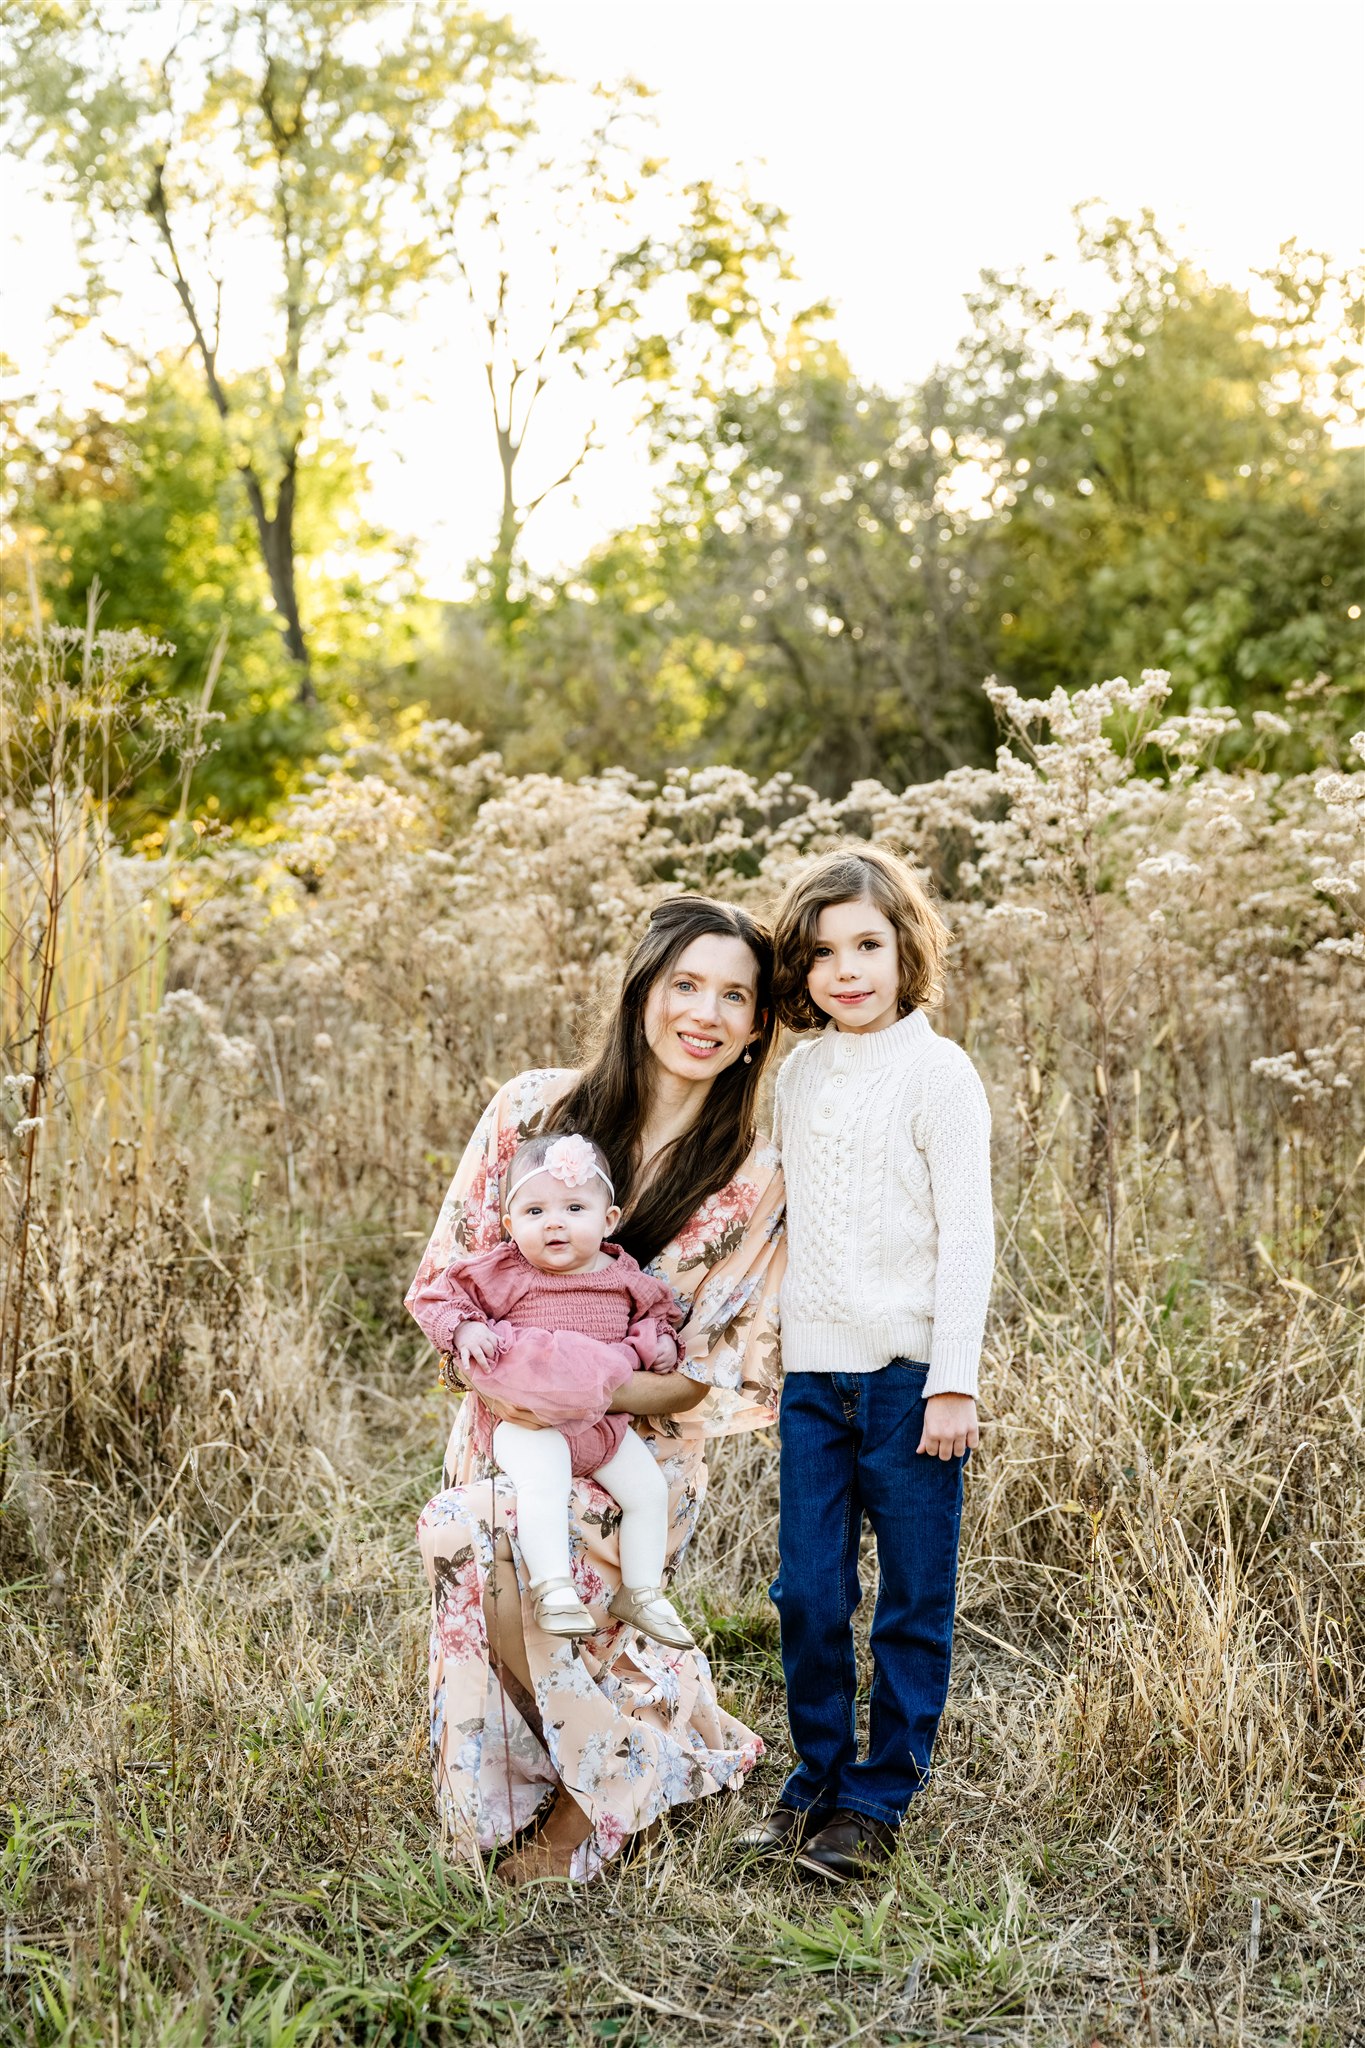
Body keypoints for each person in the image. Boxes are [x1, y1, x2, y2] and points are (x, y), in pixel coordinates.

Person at [408, 895, 785, 1884]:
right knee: (472, 1531)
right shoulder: (532, 1110)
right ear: (642, 991)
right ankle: (626, 1756)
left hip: (636, 1464)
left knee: (477, 1536)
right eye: (685, 984)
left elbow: (711, 1374)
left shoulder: (754, 1180)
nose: (705, 1012)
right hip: (503, 1429)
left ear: (756, 1029)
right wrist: (511, 1379)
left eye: (735, 996)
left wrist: (592, 1381)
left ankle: (594, 1803)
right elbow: (446, 1282)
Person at [739, 844, 994, 1882]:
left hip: (909, 1379)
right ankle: (817, 1776)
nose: (846, 969)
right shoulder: (798, 1076)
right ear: (798, 972)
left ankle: (877, 1800)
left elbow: (969, 1231)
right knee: (807, 1590)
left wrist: (955, 1376)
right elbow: (784, 1221)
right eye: (821, 953)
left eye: (867, 944)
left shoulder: (938, 1070)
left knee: (911, 1598)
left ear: (905, 948)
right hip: (814, 1383)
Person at [410, 1130, 693, 1649]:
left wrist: (662, 1345)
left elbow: (656, 1316)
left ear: (608, 1220)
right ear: (510, 1225)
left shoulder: (621, 1274)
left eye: (573, 1208)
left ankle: (642, 1590)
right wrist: (464, 1329)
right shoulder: (506, 1271)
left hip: (600, 1422)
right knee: (545, 1482)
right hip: (527, 1421)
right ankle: (552, 1586)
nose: (554, 1222)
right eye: (534, 1212)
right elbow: (437, 1296)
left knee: (648, 1491)